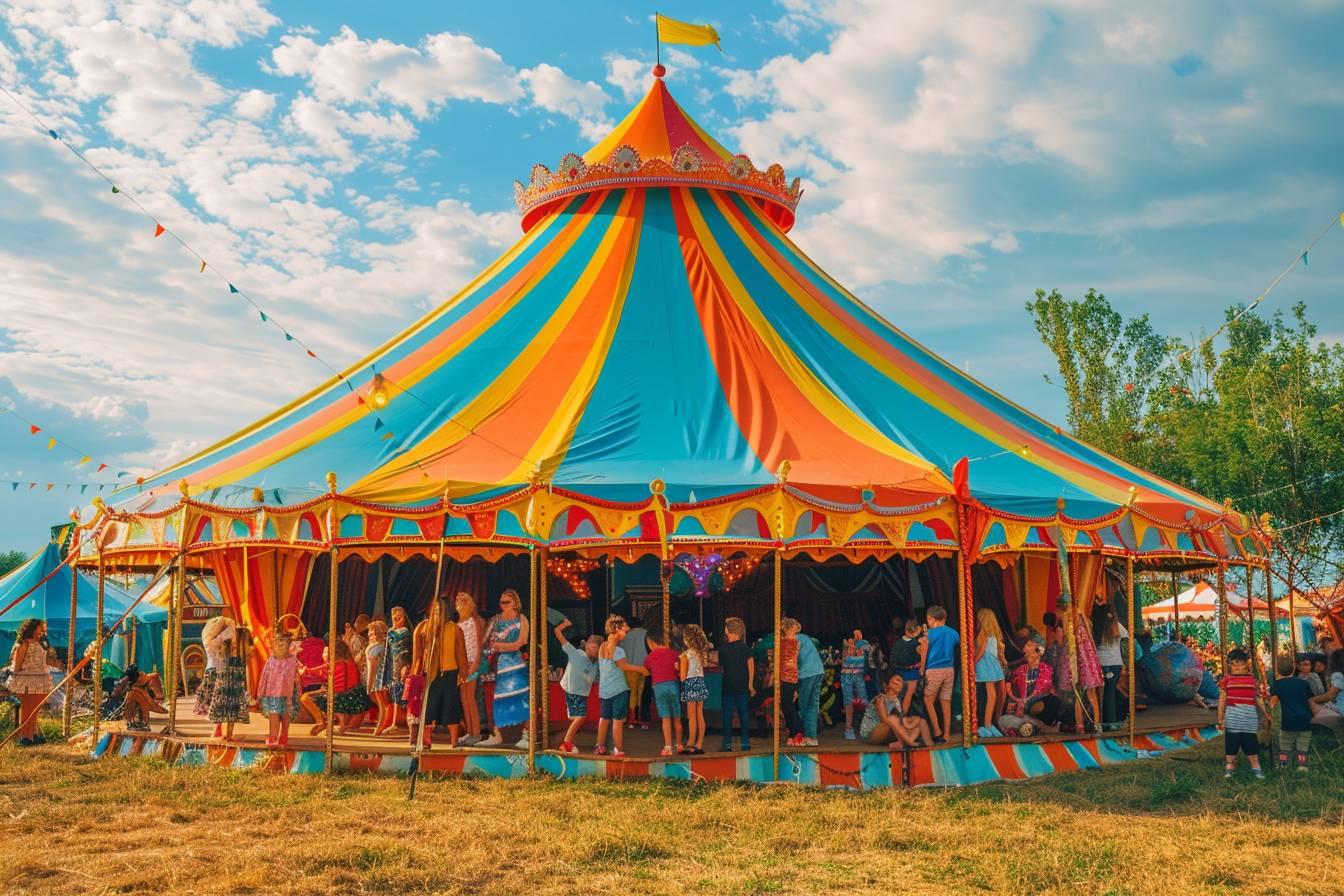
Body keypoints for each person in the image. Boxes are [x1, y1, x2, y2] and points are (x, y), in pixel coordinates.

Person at [411, 593, 468, 750]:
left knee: (451, 709)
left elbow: (461, 653)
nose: (437, 612)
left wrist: (463, 673)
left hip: (450, 674)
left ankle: (454, 742)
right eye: (435, 609)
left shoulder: (455, 629)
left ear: (447, 611)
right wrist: (414, 675)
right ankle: (426, 742)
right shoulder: (423, 628)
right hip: (430, 675)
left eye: (440, 610)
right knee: (428, 710)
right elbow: (417, 656)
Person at [479, 588, 529, 748]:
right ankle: (497, 733)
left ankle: (527, 735)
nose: (504, 605)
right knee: (499, 699)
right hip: (501, 665)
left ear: (515, 603)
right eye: (502, 602)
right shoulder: (496, 620)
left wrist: (501, 646)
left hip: (516, 663)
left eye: (507, 602)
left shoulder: (522, 619)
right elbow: (487, 641)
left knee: (522, 698)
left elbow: (521, 642)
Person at [594, 614, 645, 757]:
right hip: (618, 690)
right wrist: (641, 669)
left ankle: (599, 746)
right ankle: (618, 748)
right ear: (616, 629)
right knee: (617, 720)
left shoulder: (602, 647)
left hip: (604, 690)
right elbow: (624, 666)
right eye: (624, 629)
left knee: (604, 718)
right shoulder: (619, 650)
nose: (626, 632)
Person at [299, 640, 369, 738]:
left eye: (327, 652)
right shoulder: (350, 663)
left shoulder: (334, 665)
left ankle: (322, 721)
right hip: (353, 695)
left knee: (306, 698)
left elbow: (320, 672)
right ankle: (340, 724)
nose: (325, 655)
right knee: (341, 707)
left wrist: (305, 671)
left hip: (339, 695)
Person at [1218, 647, 1267, 780]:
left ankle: (1256, 766)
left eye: (1241, 664)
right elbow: (1222, 699)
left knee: (1250, 742)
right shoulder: (1226, 681)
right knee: (1231, 744)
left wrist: (1266, 714)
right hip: (1232, 719)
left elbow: (1258, 698)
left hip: (1248, 719)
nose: (1238, 667)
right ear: (1230, 665)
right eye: (1234, 664)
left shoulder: (1252, 681)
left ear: (1246, 665)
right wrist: (1220, 718)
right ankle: (1230, 765)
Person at [554, 619, 601, 754]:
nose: (591, 649)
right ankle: (566, 743)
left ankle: (569, 742)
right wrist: (564, 624)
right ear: (586, 646)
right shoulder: (576, 653)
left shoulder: (596, 663)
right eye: (590, 646)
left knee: (577, 718)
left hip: (581, 692)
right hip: (572, 689)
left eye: (595, 648)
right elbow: (557, 632)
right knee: (581, 717)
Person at [7, 619, 51, 746]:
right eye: (40, 626)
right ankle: (25, 736)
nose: (42, 628)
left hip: (40, 679)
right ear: (33, 627)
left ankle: (34, 734)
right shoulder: (23, 644)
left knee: (34, 709)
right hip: (27, 680)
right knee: (28, 708)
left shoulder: (40, 643)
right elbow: (16, 666)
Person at [859, 673, 933, 749]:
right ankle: (911, 743)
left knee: (918, 721)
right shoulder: (880, 699)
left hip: (889, 731)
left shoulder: (896, 701)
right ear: (887, 684)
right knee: (892, 719)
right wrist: (904, 725)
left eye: (900, 682)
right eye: (895, 682)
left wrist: (909, 722)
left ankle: (903, 743)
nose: (898, 684)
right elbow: (885, 720)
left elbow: (900, 719)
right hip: (871, 734)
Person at [1269, 654, 1314, 772]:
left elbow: (1273, 703)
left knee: (1285, 745)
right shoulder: (1304, 683)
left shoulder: (1277, 685)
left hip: (1287, 720)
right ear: (1294, 668)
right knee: (1303, 745)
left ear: (1277, 670)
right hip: (1305, 719)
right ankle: (1302, 765)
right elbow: (1311, 702)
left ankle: (1283, 764)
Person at [922, 606, 959, 743]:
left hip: (934, 668)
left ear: (931, 619)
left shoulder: (929, 634)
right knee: (945, 701)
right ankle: (947, 734)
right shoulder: (953, 633)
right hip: (949, 669)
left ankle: (937, 730)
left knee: (928, 699)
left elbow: (923, 651)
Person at [256, 632, 301, 748]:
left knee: (281, 715)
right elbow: (265, 675)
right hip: (276, 693)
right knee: (277, 715)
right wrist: (261, 690)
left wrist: (260, 691)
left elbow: (297, 675)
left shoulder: (291, 660)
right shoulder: (273, 659)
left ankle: (279, 736)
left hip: (283, 693)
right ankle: (277, 736)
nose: (280, 647)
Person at [454, 593, 487, 745]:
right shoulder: (458, 623)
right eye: (458, 603)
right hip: (461, 664)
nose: (460, 605)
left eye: (463, 603)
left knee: (470, 698)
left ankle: (476, 732)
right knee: (463, 699)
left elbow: (479, 645)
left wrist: (475, 664)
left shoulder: (474, 622)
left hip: (471, 662)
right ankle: (469, 732)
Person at [718, 617, 754, 752]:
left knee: (727, 715)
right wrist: (750, 685)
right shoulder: (746, 649)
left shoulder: (723, 649)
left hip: (727, 685)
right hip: (742, 686)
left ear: (729, 632)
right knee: (743, 714)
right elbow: (751, 667)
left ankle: (727, 744)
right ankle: (745, 743)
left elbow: (721, 667)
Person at [644, 630, 683, 756]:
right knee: (677, 718)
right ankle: (680, 744)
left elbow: (647, 667)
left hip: (659, 687)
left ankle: (668, 747)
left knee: (665, 719)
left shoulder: (651, 655)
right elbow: (678, 668)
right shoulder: (675, 654)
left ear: (653, 643)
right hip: (673, 685)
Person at [1007, 639, 1060, 730]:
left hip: (1037, 705)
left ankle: (1044, 726)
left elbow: (1042, 689)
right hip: (1021, 707)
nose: (1027, 647)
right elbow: (1012, 689)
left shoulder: (1047, 669)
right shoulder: (1019, 670)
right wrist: (1016, 702)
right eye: (1027, 645)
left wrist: (1025, 702)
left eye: (1031, 645)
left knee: (1053, 700)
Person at [678, 624, 711, 754]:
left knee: (691, 716)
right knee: (700, 714)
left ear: (687, 639)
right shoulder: (700, 654)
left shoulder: (685, 655)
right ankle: (699, 743)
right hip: (700, 682)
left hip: (690, 683)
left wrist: (678, 667)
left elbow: (682, 676)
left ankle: (691, 742)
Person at [973, 608, 1006, 734]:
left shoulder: (983, 632)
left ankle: (987, 724)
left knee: (990, 695)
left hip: (985, 663)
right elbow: (996, 652)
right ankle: (989, 723)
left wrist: (973, 662)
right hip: (992, 662)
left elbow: (981, 650)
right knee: (992, 696)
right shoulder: (994, 634)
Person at [1095, 611, 1129, 732]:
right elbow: (1126, 636)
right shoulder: (1117, 626)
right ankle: (1111, 721)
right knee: (1111, 692)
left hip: (1101, 663)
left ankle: (1103, 720)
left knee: (1100, 695)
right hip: (1115, 663)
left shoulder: (1097, 626)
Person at [795, 623, 824, 747]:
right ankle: (812, 737)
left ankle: (803, 735)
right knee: (813, 705)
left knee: (804, 705)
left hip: (806, 674)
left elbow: (794, 659)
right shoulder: (805, 638)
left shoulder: (794, 640)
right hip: (818, 671)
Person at [889, 620, 924, 714]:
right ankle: (902, 717)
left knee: (900, 696)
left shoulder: (897, 643)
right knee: (909, 696)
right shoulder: (915, 643)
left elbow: (894, 658)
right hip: (911, 674)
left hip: (899, 673)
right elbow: (924, 656)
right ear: (918, 629)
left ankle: (897, 716)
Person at [839, 629, 869, 740]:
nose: (857, 636)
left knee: (864, 700)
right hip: (847, 676)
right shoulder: (846, 647)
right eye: (854, 634)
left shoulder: (863, 644)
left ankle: (868, 726)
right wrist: (848, 646)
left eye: (859, 633)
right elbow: (845, 658)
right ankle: (849, 729)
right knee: (848, 701)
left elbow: (866, 648)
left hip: (859, 675)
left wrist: (857, 645)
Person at [779, 618, 804, 746]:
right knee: (787, 705)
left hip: (786, 676)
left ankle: (797, 731)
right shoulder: (795, 643)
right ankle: (793, 732)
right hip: (791, 676)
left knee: (787, 705)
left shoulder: (786, 643)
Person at [365, 620, 393, 735]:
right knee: (383, 704)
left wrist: (369, 683)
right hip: (381, 677)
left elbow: (373, 667)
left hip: (378, 678)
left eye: (371, 633)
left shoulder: (375, 648)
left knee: (382, 704)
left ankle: (380, 726)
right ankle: (384, 723)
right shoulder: (382, 646)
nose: (369, 635)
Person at [621, 620, 650, 729]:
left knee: (632, 693)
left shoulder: (625, 635)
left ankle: (632, 720)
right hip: (644, 668)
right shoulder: (647, 633)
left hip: (629, 667)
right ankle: (644, 721)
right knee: (642, 693)